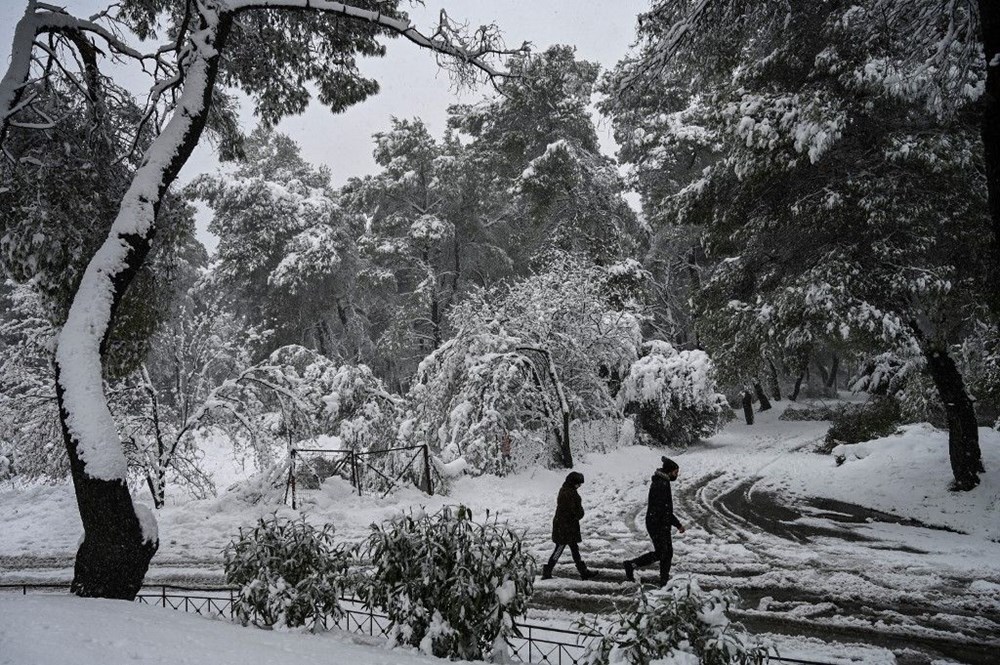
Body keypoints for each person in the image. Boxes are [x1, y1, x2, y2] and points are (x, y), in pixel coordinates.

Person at [623, 456, 685, 585]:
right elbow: (664, 509)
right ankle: (631, 564)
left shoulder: (663, 481)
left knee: (667, 553)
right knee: (662, 553)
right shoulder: (661, 484)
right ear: (669, 471)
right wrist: (677, 524)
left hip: (661, 523)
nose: (677, 475)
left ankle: (664, 579)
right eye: (675, 472)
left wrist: (675, 523)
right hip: (657, 524)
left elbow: (665, 509)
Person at [542, 471, 597, 580]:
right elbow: (573, 511)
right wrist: (579, 514)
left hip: (567, 526)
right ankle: (547, 570)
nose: (579, 486)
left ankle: (583, 571)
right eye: (578, 483)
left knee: (574, 549)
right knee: (560, 549)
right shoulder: (568, 493)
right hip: (565, 528)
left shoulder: (567, 491)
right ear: (573, 482)